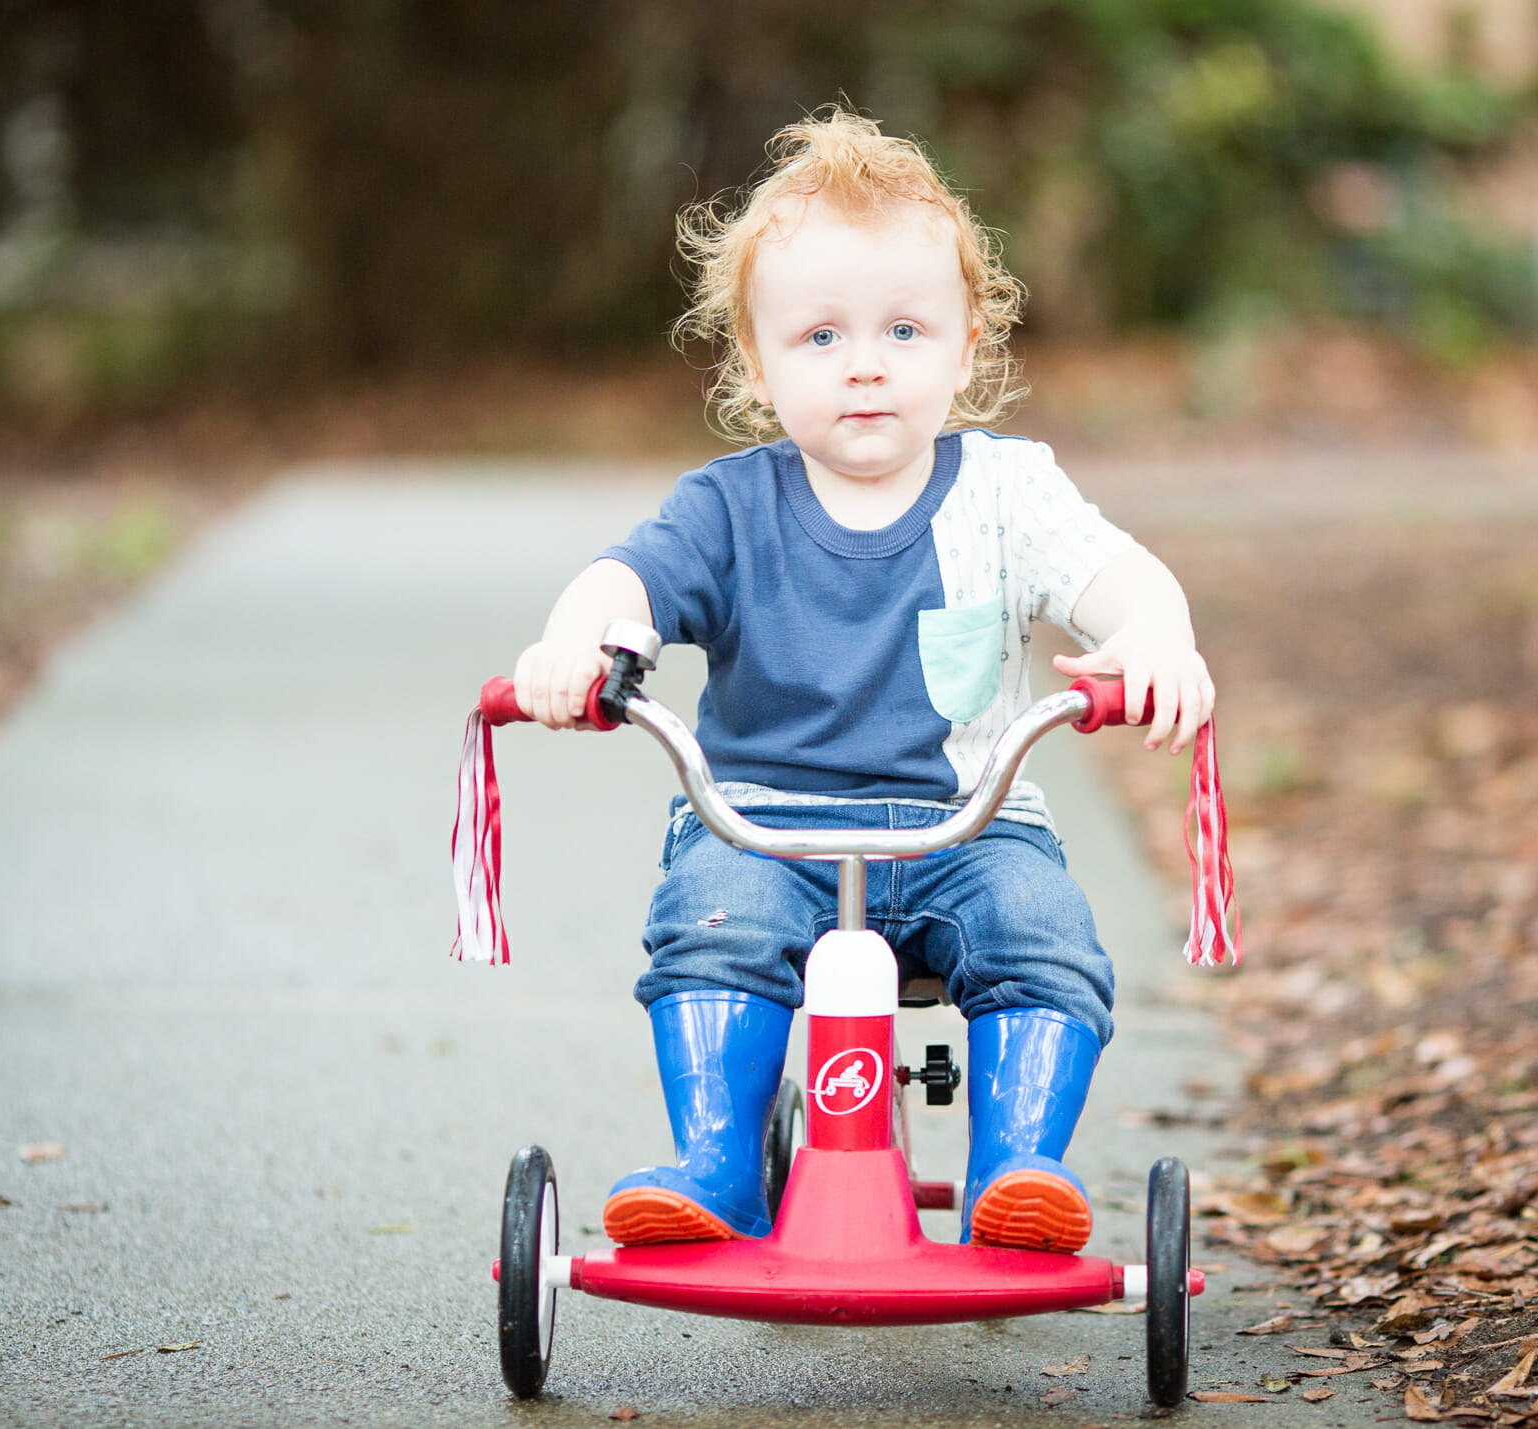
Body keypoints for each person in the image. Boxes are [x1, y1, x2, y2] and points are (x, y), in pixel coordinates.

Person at [511, 109, 1215, 1254]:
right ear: (755, 355)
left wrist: (1155, 636)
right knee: (710, 921)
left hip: (967, 827)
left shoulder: (1006, 493)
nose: (867, 364)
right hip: (764, 830)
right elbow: (622, 584)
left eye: (902, 328)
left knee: (1041, 931)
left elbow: (1121, 578)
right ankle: (718, 1166)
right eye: (821, 338)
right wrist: (575, 644)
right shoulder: (729, 508)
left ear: (966, 338)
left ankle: (1015, 1174)